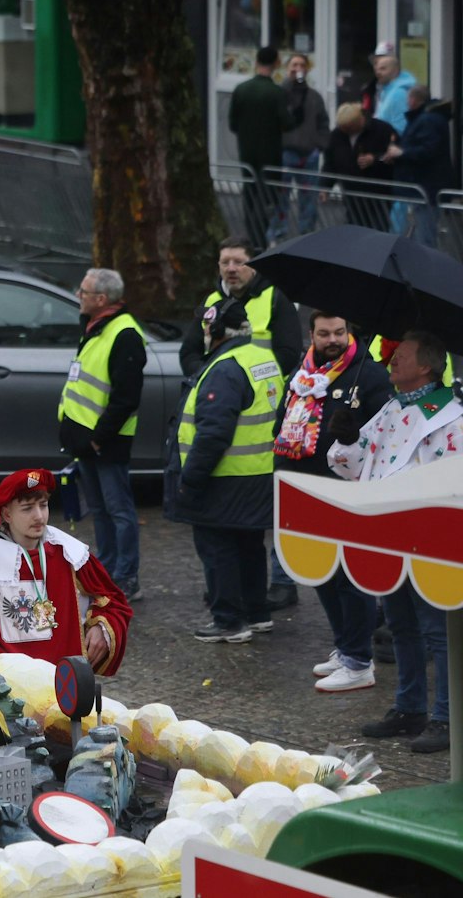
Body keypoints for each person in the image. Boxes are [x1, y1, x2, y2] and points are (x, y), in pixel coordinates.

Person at [329, 331, 461, 753]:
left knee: (437, 630)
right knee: (401, 624)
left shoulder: (452, 414)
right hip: (387, 531)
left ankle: (447, 717)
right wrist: (348, 438)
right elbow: (356, 467)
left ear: (426, 365)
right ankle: (409, 708)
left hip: (429, 536)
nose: (392, 359)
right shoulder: (392, 407)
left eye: (401, 355)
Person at [275, 310, 390, 693]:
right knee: (319, 572)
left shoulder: (369, 374)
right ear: (312, 334)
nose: (333, 340)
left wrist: (353, 435)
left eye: (339, 332)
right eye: (324, 333)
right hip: (305, 489)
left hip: (347, 491)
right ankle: (344, 647)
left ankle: (359, 661)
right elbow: (282, 422)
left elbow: (384, 435)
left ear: (349, 331)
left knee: (349, 577)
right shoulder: (302, 372)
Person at [167, 297, 283, 644]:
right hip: (257, 474)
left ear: (218, 330)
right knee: (249, 545)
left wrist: (190, 479)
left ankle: (229, 620)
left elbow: (213, 434)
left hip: (224, 477)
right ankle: (257, 613)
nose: (203, 332)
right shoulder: (261, 357)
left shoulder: (225, 368)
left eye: (207, 326)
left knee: (217, 548)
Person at [0, 468, 132, 673]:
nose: (39, 516)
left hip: (65, 683)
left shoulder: (70, 554)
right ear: (7, 514)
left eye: (43, 505)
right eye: (27, 509)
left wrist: (100, 628)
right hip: (5, 683)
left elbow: (113, 602)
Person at [59, 267, 147, 600]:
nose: (78, 296)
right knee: (99, 510)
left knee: (119, 511)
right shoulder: (96, 327)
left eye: (83, 291)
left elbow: (126, 398)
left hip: (106, 442)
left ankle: (126, 577)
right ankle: (107, 570)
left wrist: (98, 438)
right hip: (88, 441)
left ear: (101, 299)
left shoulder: (124, 334)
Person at [180, 236, 301, 384]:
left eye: (238, 262)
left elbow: (289, 354)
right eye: (225, 262)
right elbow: (188, 353)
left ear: (253, 264)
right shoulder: (211, 301)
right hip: (216, 387)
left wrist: (243, 376)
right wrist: (210, 374)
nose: (231, 269)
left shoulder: (275, 298)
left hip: (262, 390)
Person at [228, 46, 297, 249]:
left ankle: (250, 238)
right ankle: (260, 240)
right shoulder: (276, 92)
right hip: (270, 155)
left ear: (256, 61)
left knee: (249, 194)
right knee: (267, 198)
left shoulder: (241, 89)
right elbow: (287, 123)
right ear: (276, 63)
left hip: (247, 152)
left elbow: (233, 124)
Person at [279, 52, 330, 238]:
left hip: (309, 155)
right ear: (287, 68)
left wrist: (319, 146)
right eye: (294, 65)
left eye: (302, 65)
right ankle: (278, 233)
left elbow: (323, 123)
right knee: (280, 197)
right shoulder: (280, 94)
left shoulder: (314, 97)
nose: (298, 69)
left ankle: (306, 235)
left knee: (309, 200)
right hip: (285, 153)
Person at [324, 103, 397, 232]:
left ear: (359, 121)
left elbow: (396, 155)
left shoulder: (382, 130)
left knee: (377, 232)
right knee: (354, 232)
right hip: (352, 196)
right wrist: (324, 187)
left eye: (348, 128)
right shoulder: (338, 134)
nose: (345, 131)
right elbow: (330, 163)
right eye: (343, 128)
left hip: (378, 195)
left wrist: (375, 159)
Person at [395, 86, 454, 245]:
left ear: (413, 100)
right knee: (421, 232)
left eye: (408, 98)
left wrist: (401, 153)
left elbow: (428, 150)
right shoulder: (430, 118)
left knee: (424, 235)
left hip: (425, 187)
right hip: (426, 186)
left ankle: (424, 260)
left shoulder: (427, 120)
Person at [369, 46, 417, 133]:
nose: (378, 73)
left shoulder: (399, 93)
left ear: (395, 70)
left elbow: (401, 127)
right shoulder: (385, 91)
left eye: (383, 69)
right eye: (377, 69)